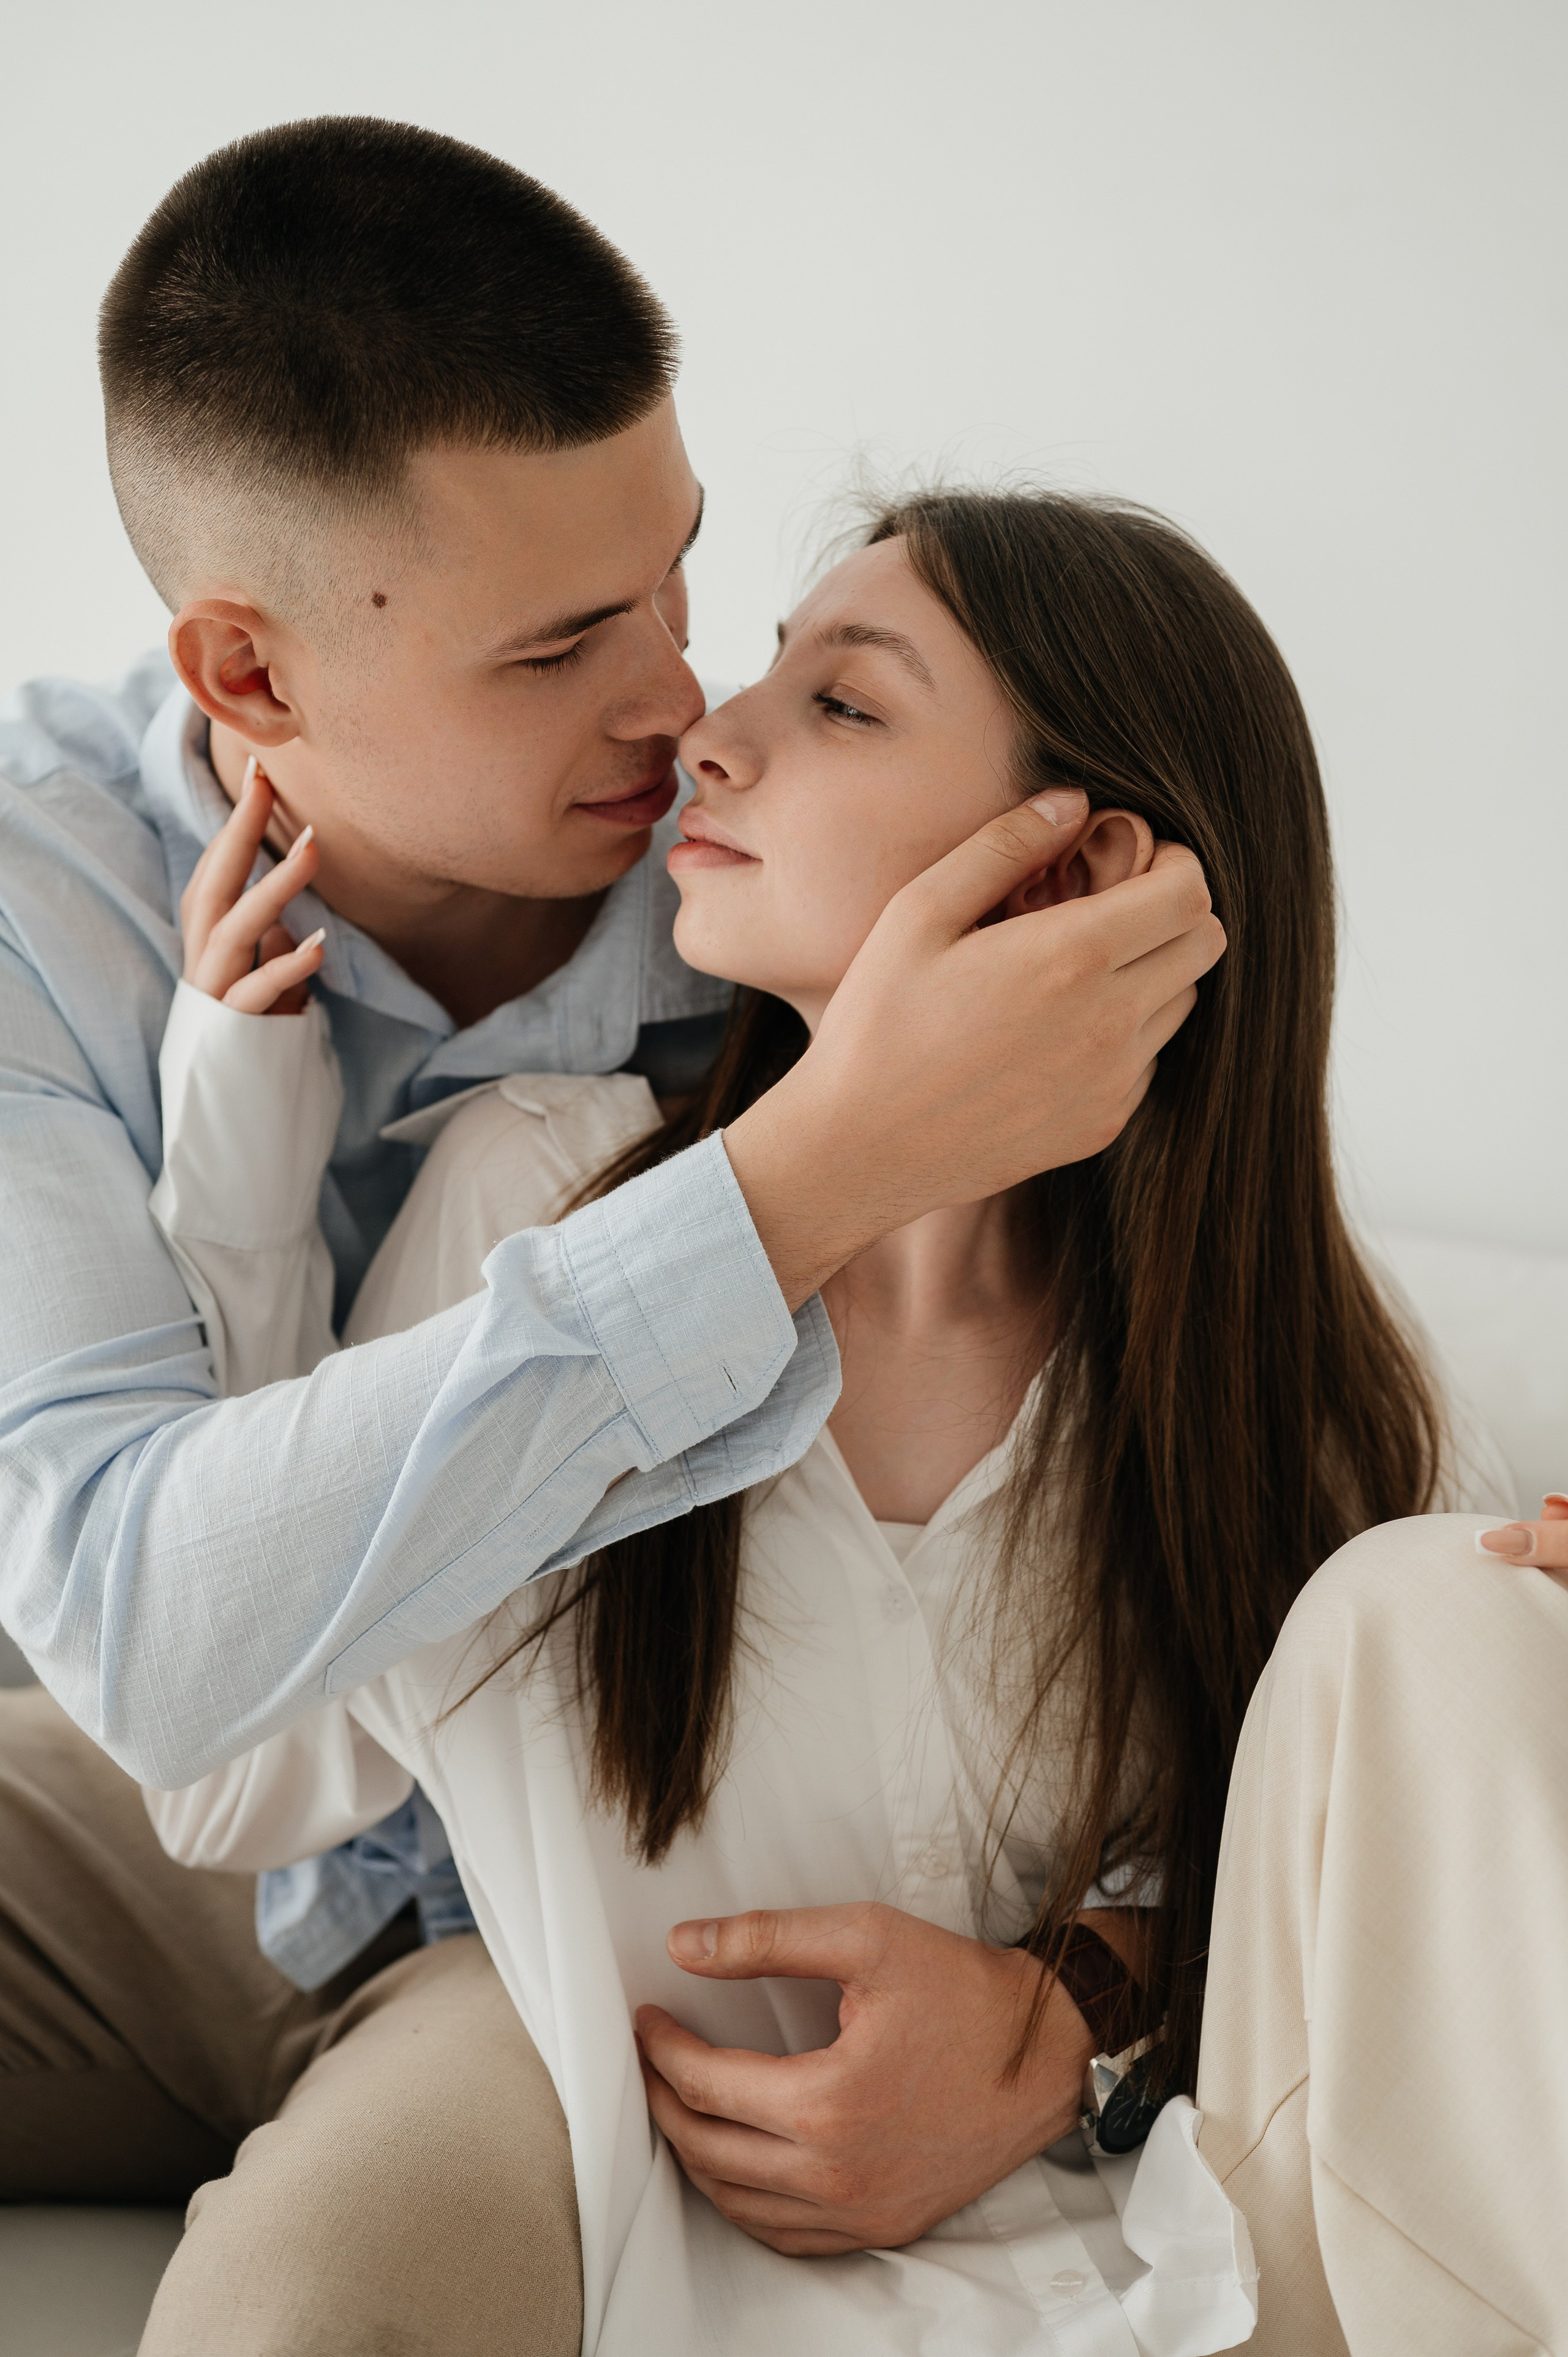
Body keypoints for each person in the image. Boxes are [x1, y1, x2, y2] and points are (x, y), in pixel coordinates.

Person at [0, 117, 1223, 2355]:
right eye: (566, 644)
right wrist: (815, 1167)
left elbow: (1269, 1570)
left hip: (537, 1911)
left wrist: (1087, 2000)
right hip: (186, 1782)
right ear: (250, 680)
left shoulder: (781, 899)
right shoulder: (47, 911)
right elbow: (156, 1652)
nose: (684, 706)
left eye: (679, 577)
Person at [142, 488, 1527, 2355]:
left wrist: (1079, 2024)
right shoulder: (542, 1205)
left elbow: (1415, 1891)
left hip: (1180, 2248)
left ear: (1075, 866)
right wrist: (241, 1169)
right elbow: (235, 1771)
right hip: (686, 2255)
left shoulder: (1309, 1380)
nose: (710, 726)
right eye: (774, 664)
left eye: (848, 705)